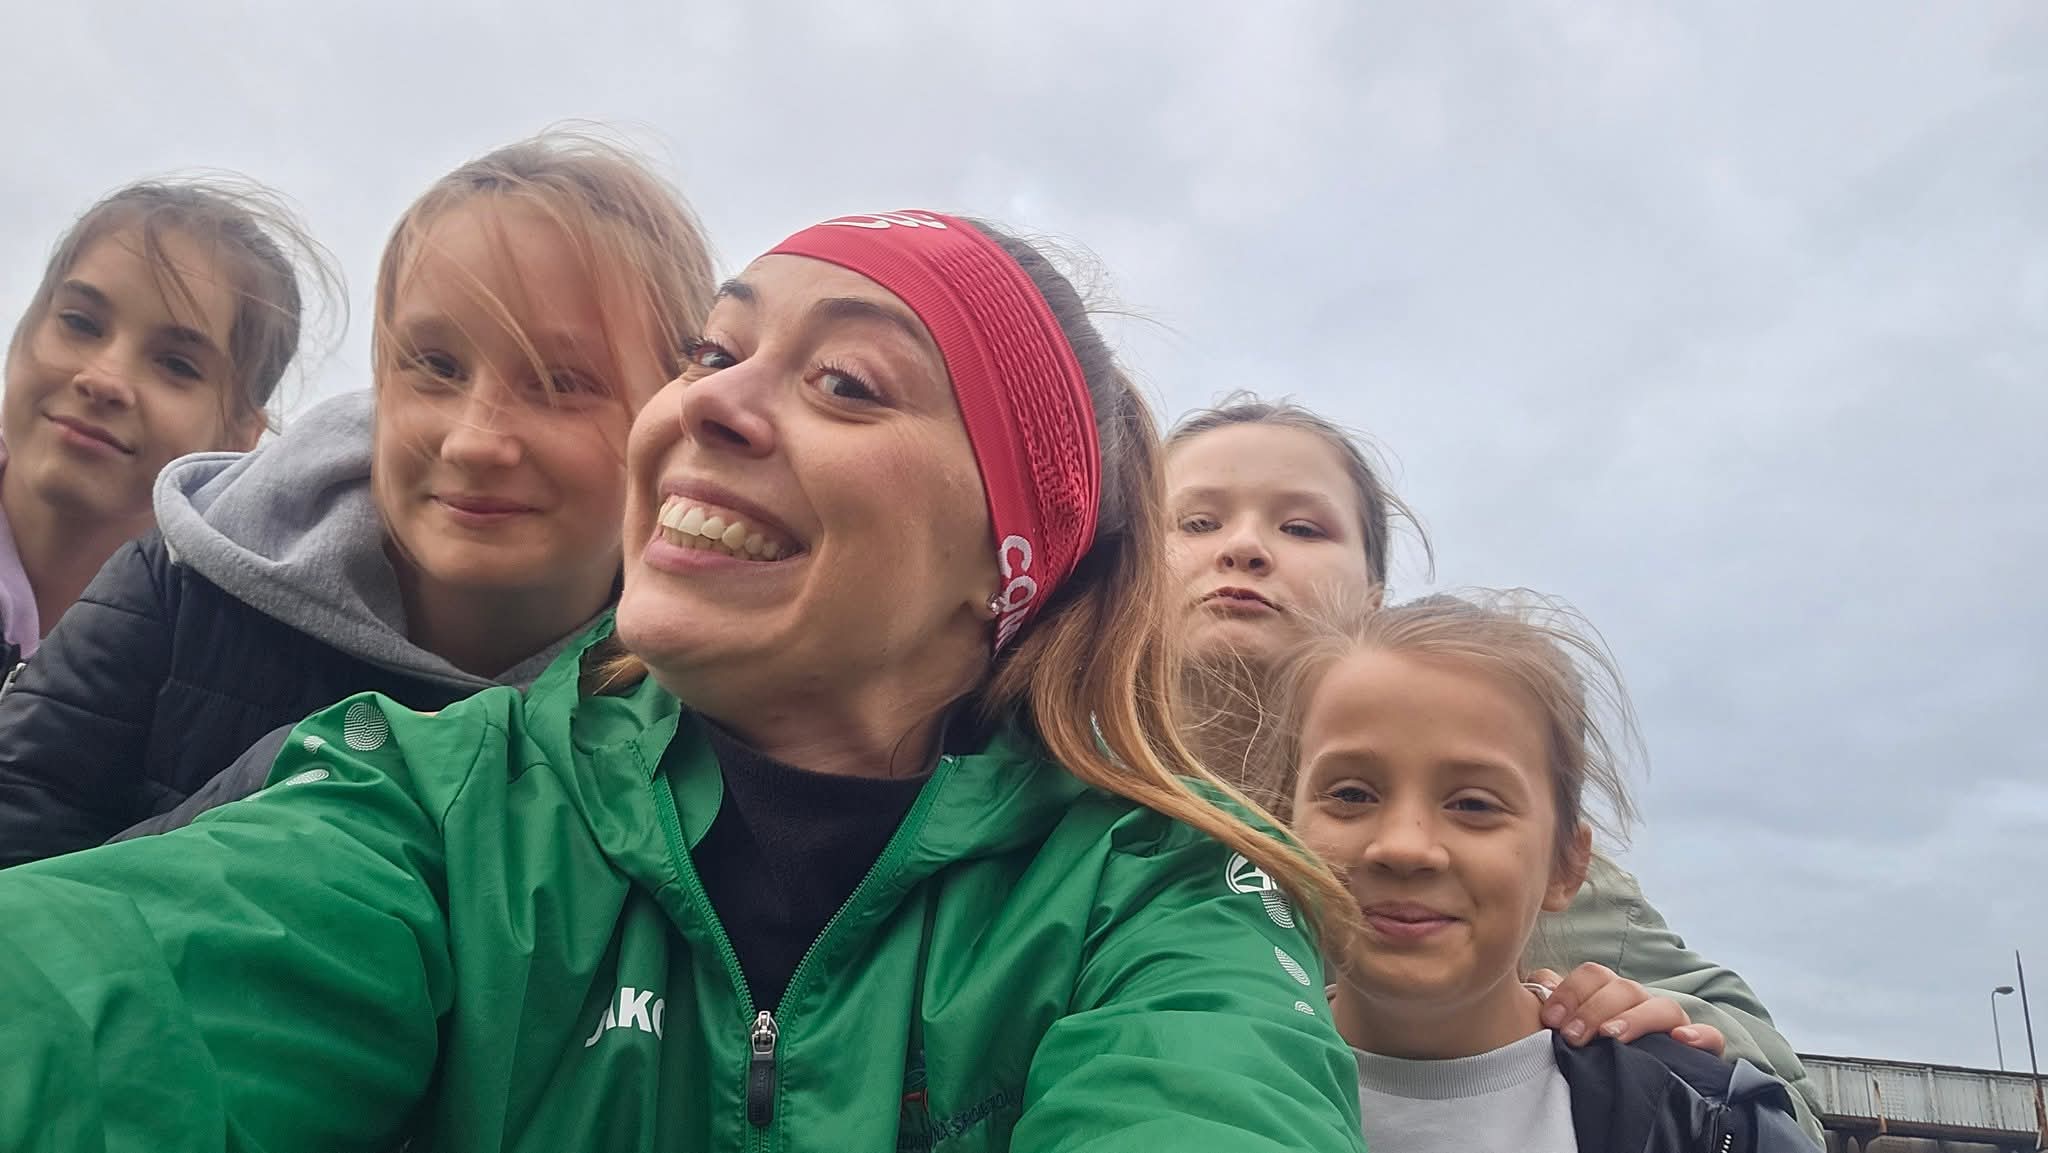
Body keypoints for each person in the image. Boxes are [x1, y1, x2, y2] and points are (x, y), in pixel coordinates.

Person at [0, 210, 1367, 1151]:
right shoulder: (444, 800)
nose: (703, 401)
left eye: (845, 382)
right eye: (713, 353)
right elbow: (93, 1002)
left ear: (1003, 560)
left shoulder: (1163, 889)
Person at [0, 132, 716, 866]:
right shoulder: (181, 586)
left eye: (562, 382)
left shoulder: (713, 718)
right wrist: (298, 792)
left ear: (669, 414)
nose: (473, 442)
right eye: (435, 366)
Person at [1163, 393, 1825, 1136]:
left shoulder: (1557, 875)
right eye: (1196, 522)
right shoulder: (1077, 825)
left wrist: (1645, 1039)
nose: (1244, 546)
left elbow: (1779, 1097)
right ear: (1126, 581)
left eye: (1301, 527)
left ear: (1375, 600)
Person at [1276, 590, 1815, 1152]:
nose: (1404, 847)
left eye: (1474, 804)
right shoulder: (1215, 1075)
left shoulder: (1703, 1123)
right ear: (1280, 830)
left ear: (1566, 865)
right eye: (1351, 794)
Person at [0, 176, 332, 672]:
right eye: (80, 322)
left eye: (177, 364)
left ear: (239, 438)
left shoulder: (234, 671)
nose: (105, 380)